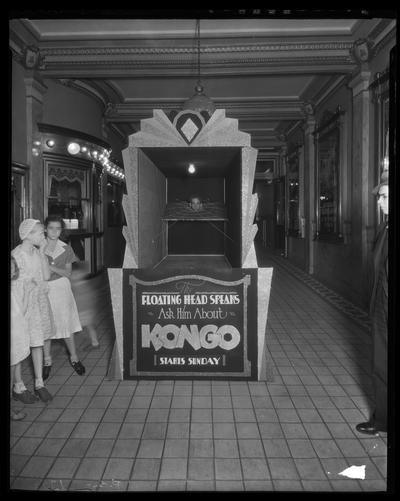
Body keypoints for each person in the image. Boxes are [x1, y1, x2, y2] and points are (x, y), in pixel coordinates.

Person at [356, 167, 389, 435]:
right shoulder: (384, 227)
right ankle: (382, 420)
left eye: (385, 197)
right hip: (381, 305)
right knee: (380, 364)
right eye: (380, 197)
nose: (379, 201)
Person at [11, 219, 53, 403]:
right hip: (21, 304)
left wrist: (43, 253)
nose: (43, 236)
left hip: (38, 303)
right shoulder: (16, 254)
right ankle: (18, 386)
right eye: (40, 233)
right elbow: (16, 281)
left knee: (37, 342)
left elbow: (46, 276)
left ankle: (39, 383)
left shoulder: (37, 252)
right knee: (19, 347)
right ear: (27, 235)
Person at [42, 216, 85, 380]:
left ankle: (74, 358)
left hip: (61, 290)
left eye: (58, 228)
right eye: (51, 228)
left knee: (65, 325)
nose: (54, 231)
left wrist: (51, 268)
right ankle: (47, 361)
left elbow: (68, 273)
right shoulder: (38, 247)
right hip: (44, 290)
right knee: (46, 327)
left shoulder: (66, 248)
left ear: (61, 230)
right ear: (45, 228)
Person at [10, 256, 35, 419]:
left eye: (13, 268)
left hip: (16, 336)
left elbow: (22, 311)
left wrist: (27, 291)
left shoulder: (13, 289)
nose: (12, 271)